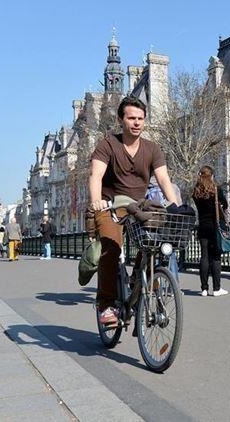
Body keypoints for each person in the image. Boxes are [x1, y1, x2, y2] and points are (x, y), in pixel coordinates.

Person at [88, 96, 179, 326]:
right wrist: (96, 200)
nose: (137, 123)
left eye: (140, 119)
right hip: (110, 205)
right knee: (111, 246)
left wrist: (175, 205)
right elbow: (96, 175)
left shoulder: (152, 149)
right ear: (121, 120)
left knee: (154, 246)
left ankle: (141, 281)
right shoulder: (108, 145)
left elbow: (164, 179)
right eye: (131, 118)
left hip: (138, 206)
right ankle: (106, 304)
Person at [191, 166, 229, 297]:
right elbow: (225, 204)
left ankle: (204, 289)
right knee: (216, 257)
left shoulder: (196, 192)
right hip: (215, 226)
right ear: (211, 176)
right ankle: (217, 288)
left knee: (204, 257)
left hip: (202, 226)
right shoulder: (216, 189)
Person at [146, 176, 183, 282]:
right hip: (169, 225)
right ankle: (174, 285)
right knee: (170, 254)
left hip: (152, 226)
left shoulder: (146, 188)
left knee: (150, 254)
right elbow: (178, 206)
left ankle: (153, 284)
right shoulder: (173, 187)